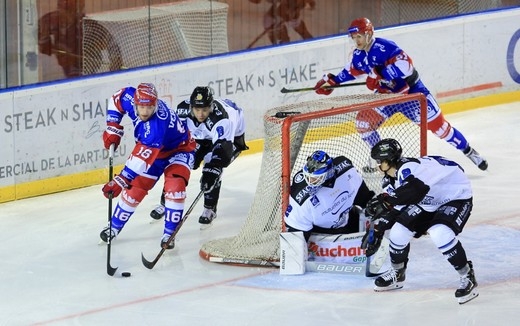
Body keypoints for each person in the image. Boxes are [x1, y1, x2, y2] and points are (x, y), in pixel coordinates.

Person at [313, 17, 488, 172]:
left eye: (359, 36)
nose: (356, 40)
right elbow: (352, 71)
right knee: (363, 122)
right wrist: (333, 82)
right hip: (387, 97)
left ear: (368, 34)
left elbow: (407, 67)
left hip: (412, 94)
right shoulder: (358, 55)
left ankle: (469, 151)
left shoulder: (385, 47)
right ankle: (382, 160)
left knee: (441, 130)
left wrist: (380, 74)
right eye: (354, 37)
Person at [362, 138, 478, 304]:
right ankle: (398, 274)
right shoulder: (389, 181)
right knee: (398, 232)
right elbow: (398, 205)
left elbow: (416, 190)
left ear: (389, 161)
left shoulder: (409, 169)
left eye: (379, 161)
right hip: (428, 201)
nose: (377, 165)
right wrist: (378, 229)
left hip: (455, 196)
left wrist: (387, 200)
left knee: (440, 233)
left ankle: (467, 275)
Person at [100, 83, 196, 249]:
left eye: (150, 108)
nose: (145, 112)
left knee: (175, 185)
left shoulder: (156, 127)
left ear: (156, 104)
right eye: (141, 107)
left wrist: (120, 181)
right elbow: (118, 97)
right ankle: (114, 226)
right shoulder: (131, 98)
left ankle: (169, 234)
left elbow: (140, 160)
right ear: (135, 103)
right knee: (135, 189)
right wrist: (113, 126)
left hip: (180, 149)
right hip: (156, 152)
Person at [149, 86, 248, 227]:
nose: (201, 114)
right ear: (191, 107)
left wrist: (212, 171)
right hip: (202, 136)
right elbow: (175, 136)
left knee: (211, 168)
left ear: (211, 107)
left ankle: (210, 209)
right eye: (197, 109)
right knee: (179, 162)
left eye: (205, 110)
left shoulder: (221, 119)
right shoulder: (182, 111)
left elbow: (222, 152)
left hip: (231, 138)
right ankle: (166, 203)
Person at [284, 150, 375, 242]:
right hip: (319, 237)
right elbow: (296, 236)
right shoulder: (301, 197)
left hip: (345, 223)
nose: (310, 182)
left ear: (329, 173)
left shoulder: (347, 171)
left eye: (316, 178)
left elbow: (363, 196)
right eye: (308, 177)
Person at [250, 0, 315, 46]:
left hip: (288, 18)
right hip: (273, 21)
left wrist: (305, 5)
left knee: (306, 35)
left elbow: (312, 5)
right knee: (284, 43)